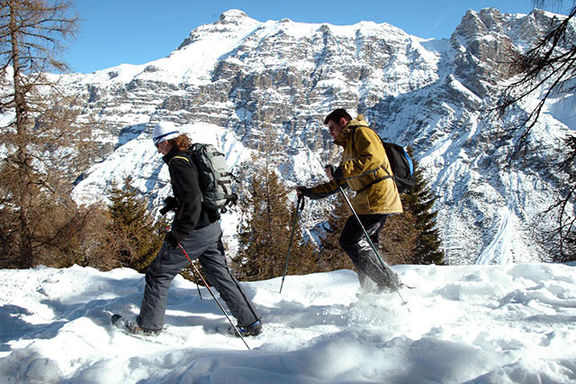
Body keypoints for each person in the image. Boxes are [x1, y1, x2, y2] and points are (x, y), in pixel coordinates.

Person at [125, 121, 262, 336]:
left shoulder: (178, 163)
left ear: (165, 142)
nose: (157, 150)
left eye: (157, 145)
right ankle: (251, 322)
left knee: (158, 274)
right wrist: (175, 201)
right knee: (220, 276)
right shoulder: (190, 154)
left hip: (195, 231)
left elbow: (192, 200)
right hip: (211, 226)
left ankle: (148, 326)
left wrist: (178, 234)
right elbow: (196, 191)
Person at [296, 109, 402, 292]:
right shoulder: (349, 146)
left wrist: (340, 170)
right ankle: (372, 293)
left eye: (331, 127)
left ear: (343, 121)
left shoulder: (362, 132)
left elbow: (373, 159)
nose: (330, 133)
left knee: (350, 241)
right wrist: (309, 192)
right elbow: (340, 183)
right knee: (366, 247)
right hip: (369, 199)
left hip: (377, 197)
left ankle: (389, 284)